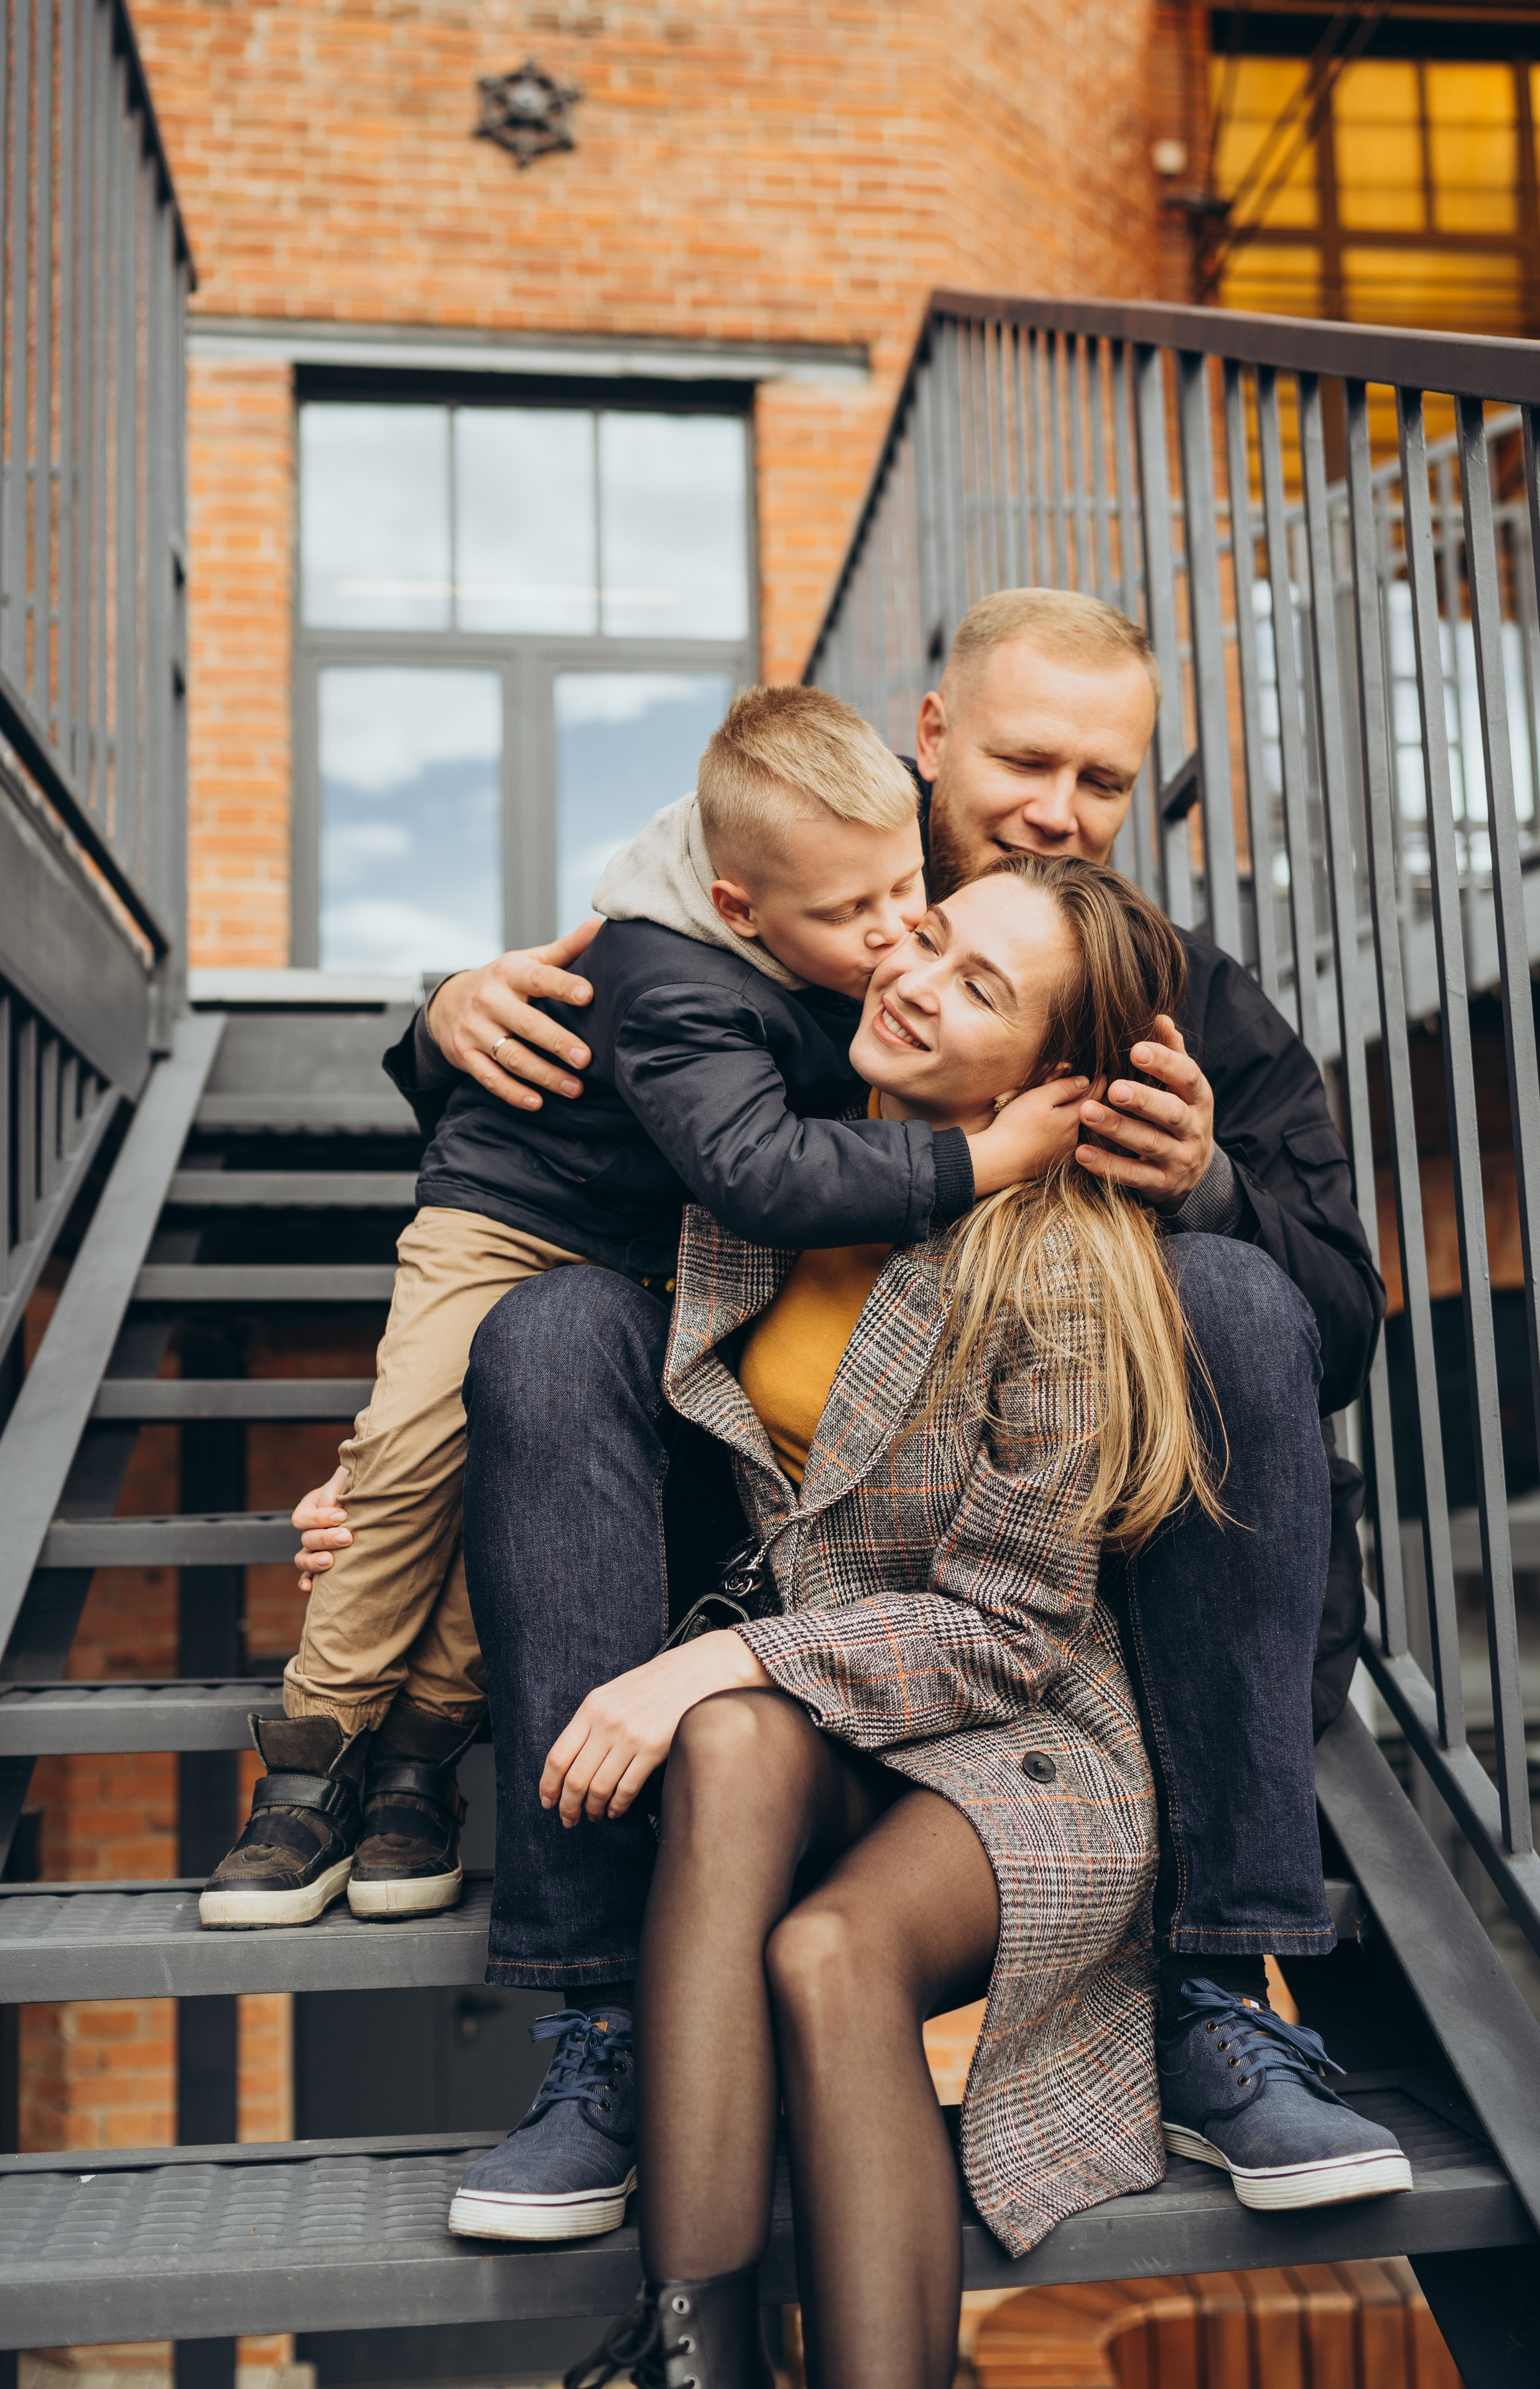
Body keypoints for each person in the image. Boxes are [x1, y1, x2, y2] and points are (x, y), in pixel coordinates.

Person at [372, 588, 1389, 2222]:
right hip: (765, 1551)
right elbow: (580, 1088)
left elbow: (1334, 1332)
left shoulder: (1181, 1000)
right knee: (549, 1335)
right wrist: (432, 1028)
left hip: (1048, 1609)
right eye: (1024, 758)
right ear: (931, 736)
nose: (1060, 810)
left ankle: (1220, 1990)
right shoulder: (789, 924)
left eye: (1106, 782)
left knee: (1233, 1290)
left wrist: (1205, 1190)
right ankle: (601, 2018)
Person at [453, 860, 1406, 2377]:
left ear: (1053, 1077)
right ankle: (692, 2354)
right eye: (932, 940)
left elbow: (1011, 1632)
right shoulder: (768, 1178)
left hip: (1031, 1744)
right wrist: (440, 1014)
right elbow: (507, 1167)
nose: (912, 976)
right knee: (724, 1752)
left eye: (978, 989)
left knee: (826, 1949)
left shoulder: (1065, 1263)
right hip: (844, 1719)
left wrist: (715, 1654)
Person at [200, 687, 1080, 1930]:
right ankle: (308, 1770)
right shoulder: (682, 977)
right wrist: (977, 1163)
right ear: (738, 908)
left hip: (635, 1266)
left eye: (908, 897)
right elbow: (764, 1175)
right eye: (851, 916)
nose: (892, 940)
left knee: (510, 1454)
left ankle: (419, 1765)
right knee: (405, 1466)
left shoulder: (852, 854)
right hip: (512, 1223)